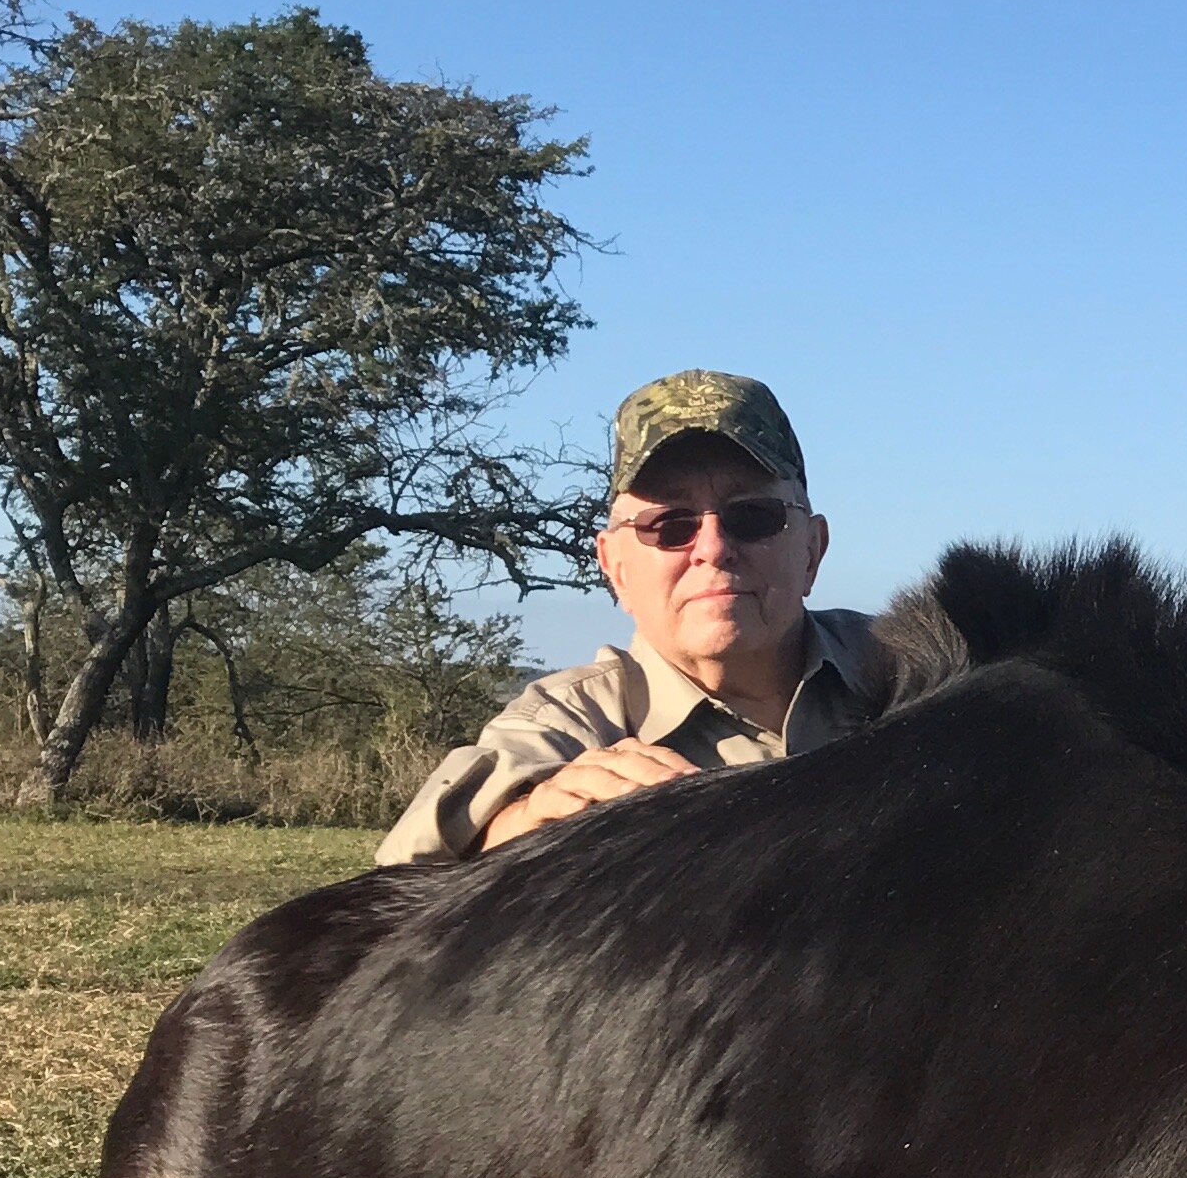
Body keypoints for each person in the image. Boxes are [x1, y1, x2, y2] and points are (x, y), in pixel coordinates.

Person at [376, 370, 887, 864]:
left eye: (753, 517)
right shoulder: (570, 726)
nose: (713, 548)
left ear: (812, 551)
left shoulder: (914, 671)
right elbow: (398, 887)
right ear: (614, 567)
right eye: (668, 525)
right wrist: (524, 825)